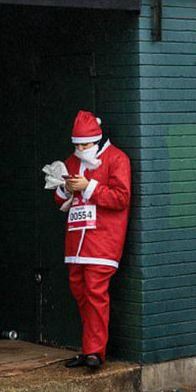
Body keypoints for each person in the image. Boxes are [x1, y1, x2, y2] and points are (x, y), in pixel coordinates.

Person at [53, 111, 130, 370]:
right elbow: (60, 200)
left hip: (103, 241)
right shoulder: (71, 162)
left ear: (97, 140)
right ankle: (89, 349)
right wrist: (64, 189)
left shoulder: (117, 159)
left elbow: (121, 198)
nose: (80, 149)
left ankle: (96, 351)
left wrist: (88, 186)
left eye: (84, 145)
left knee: (96, 293)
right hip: (76, 242)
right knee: (80, 292)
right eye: (76, 145)